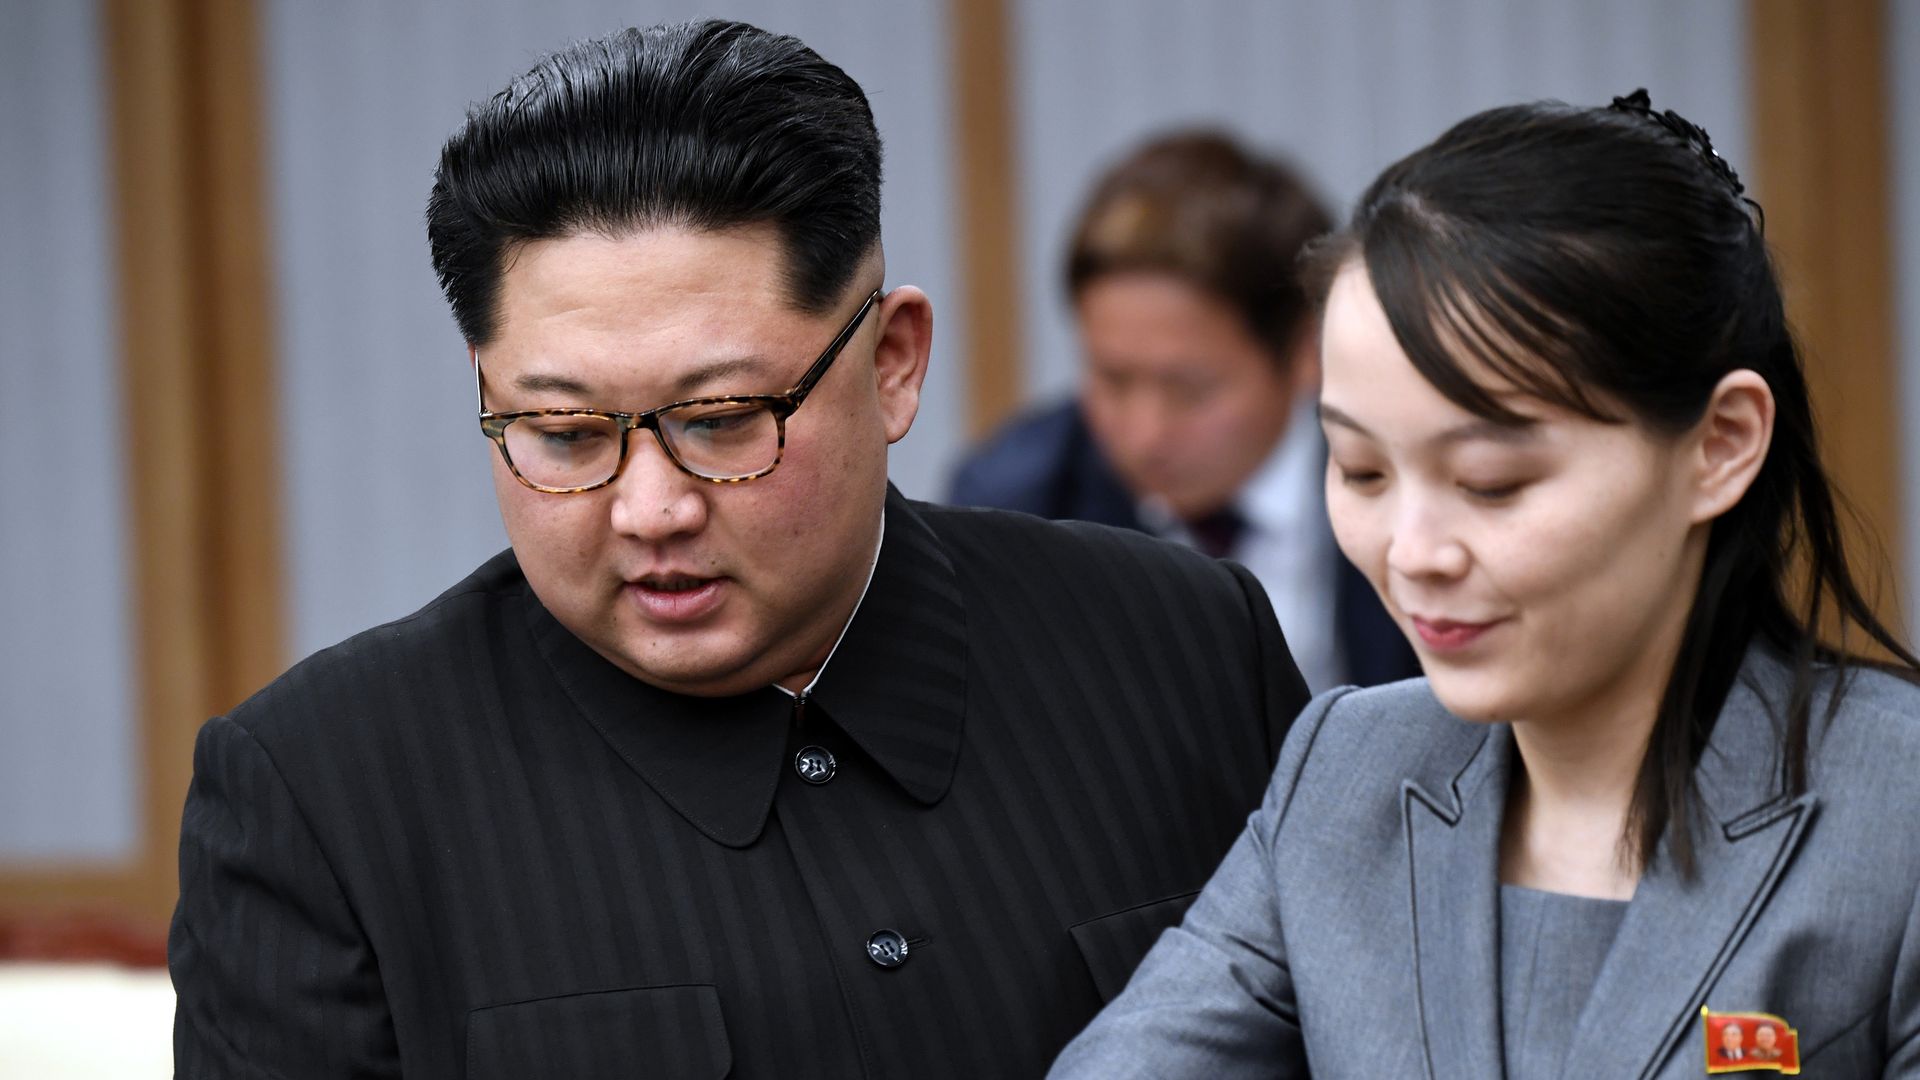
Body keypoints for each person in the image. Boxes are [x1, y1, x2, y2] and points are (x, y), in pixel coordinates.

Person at [167, 20, 1310, 1080]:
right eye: (564, 434)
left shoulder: (1187, 651)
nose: (649, 509)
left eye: (720, 421)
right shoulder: (323, 797)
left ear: (893, 363)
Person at [1051, 90, 1920, 1078]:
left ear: (1720, 444)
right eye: (1362, 472)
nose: (1413, 550)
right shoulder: (1347, 773)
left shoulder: (1893, 809)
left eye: (1491, 482)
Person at [949, 131, 1416, 692]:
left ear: (1304, 352)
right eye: (1113, 380)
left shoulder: (1413, 481)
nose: (1144, 436)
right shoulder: (1017, 510)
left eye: (1190, 390)